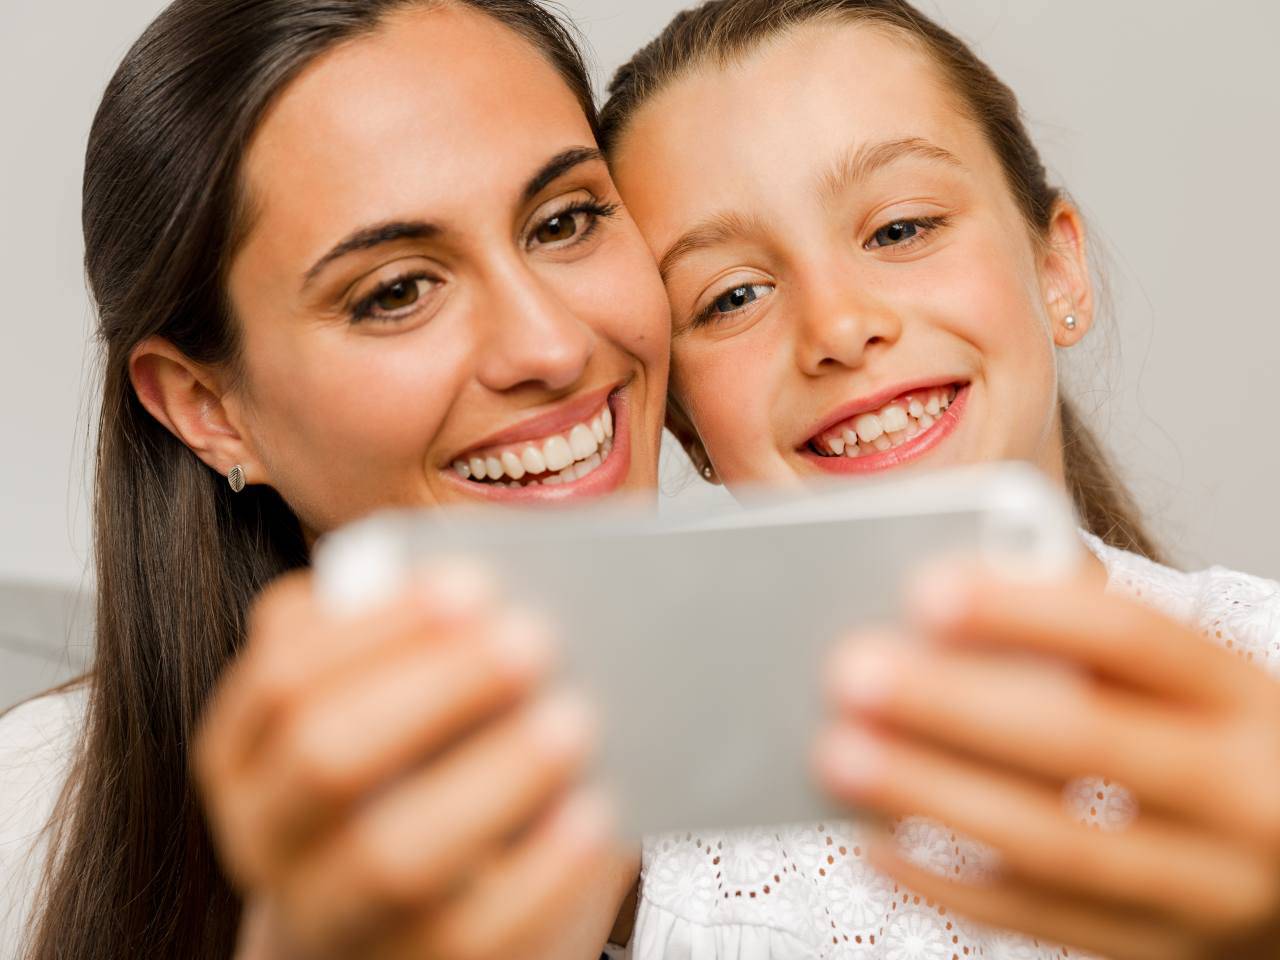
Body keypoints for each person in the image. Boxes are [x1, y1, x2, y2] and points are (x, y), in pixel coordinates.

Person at [600, 1, 1280, 957]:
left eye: (901, 229)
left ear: (1058, 269)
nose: (838, 328)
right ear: (687, 425)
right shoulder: (620, 830)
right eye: (734, 296)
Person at [0, 2, 672, 957]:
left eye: (564, 221)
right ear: (209, 409)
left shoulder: (883, 741)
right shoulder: (25, 825)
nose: (553, 345)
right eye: (396, 291)